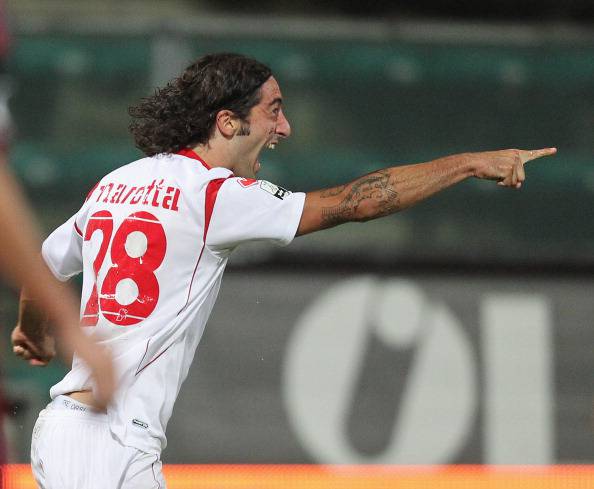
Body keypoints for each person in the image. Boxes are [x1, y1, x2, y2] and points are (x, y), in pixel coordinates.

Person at [13, 52, 556, 488]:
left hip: (64, 430)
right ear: (228, 121)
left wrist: (31, 329)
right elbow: (354, 203)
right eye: (273, 110)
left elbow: (46, 263)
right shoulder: (215, 195)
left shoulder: (116, 183)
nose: (285, 127)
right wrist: (467, 163)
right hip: (111, 439)